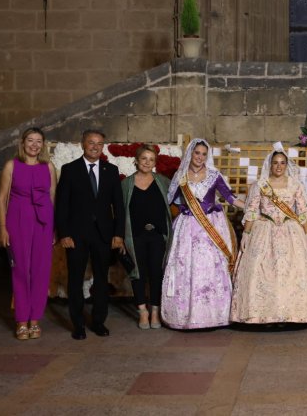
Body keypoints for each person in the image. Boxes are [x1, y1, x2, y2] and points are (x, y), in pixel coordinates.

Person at [162, 138, 244, 329]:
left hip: (211, 226)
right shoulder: (181, 176)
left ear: (208, 156)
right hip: (188, 227)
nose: (200, 157)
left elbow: (230, 198)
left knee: (211, 267)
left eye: (204, 154)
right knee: (187, 266)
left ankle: (214, 315)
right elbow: (169, 200)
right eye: (197, 153)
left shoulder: (214, 175)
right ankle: (186, 315)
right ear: (190, 153)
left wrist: (252, 207)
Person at [230, 142, 307, 324]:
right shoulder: (260, 185)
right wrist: (246, 234)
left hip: (290, 232)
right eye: (275, 163)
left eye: (282, 163)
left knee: (292, 271)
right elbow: (252, 211)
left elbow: (303, 212)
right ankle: (259, 313)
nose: (279, 166)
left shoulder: (295, 185)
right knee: (259, 270)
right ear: (270, 164)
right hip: (264, 230)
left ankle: (293, 313)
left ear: (286, 165)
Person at [55, 129, 126, 340]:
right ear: (83, 144)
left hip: (103, 234)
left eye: (99, 143)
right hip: (76, 235)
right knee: (75, 280)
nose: (95, 147)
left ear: (103, 147)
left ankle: (98, 322)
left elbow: (119, 206)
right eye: (91, 142)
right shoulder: (70, 169)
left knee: (101, 279)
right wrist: (64, 234)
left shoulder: (111, 170)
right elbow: (62, 205)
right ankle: (78, 325)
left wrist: (118, 234)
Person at [0, 127, 57, 340]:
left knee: (41, 271)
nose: (34, 145)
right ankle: (22, 320)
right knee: (21, 270)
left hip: (44, 223)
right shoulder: (11, 165)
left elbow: (52, 198)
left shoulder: (48, 167)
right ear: (22, 143)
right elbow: (1, 199)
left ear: (43, 145)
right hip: (18, 220)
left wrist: (54, 229)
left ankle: (35, 319)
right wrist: (2, 228)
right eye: (30, 140)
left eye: (38, 141)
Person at [121, 145, 172, 330]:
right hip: (134, 236)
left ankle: (155, 310)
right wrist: (120, 238)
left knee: (157, 273)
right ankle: (142, 311)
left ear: (155, 163)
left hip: (157, 236)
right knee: (138, 273)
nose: (147, 162)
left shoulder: (163, 182)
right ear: (136, 160)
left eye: (151, 159)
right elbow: (119, 213)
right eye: (144, 158)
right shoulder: (125, 184)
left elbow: (179, 202)